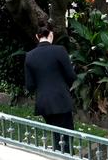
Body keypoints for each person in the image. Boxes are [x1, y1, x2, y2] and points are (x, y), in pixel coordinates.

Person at [24, 23, 77, 153]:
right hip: (61, 98)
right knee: (67, 134)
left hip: (44, 102)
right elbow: (71, 76)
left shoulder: (29, 56)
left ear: (37, 36)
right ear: (51, 35)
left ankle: (59, 156)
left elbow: (30, 85)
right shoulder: (60, 50)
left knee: (55, 134)